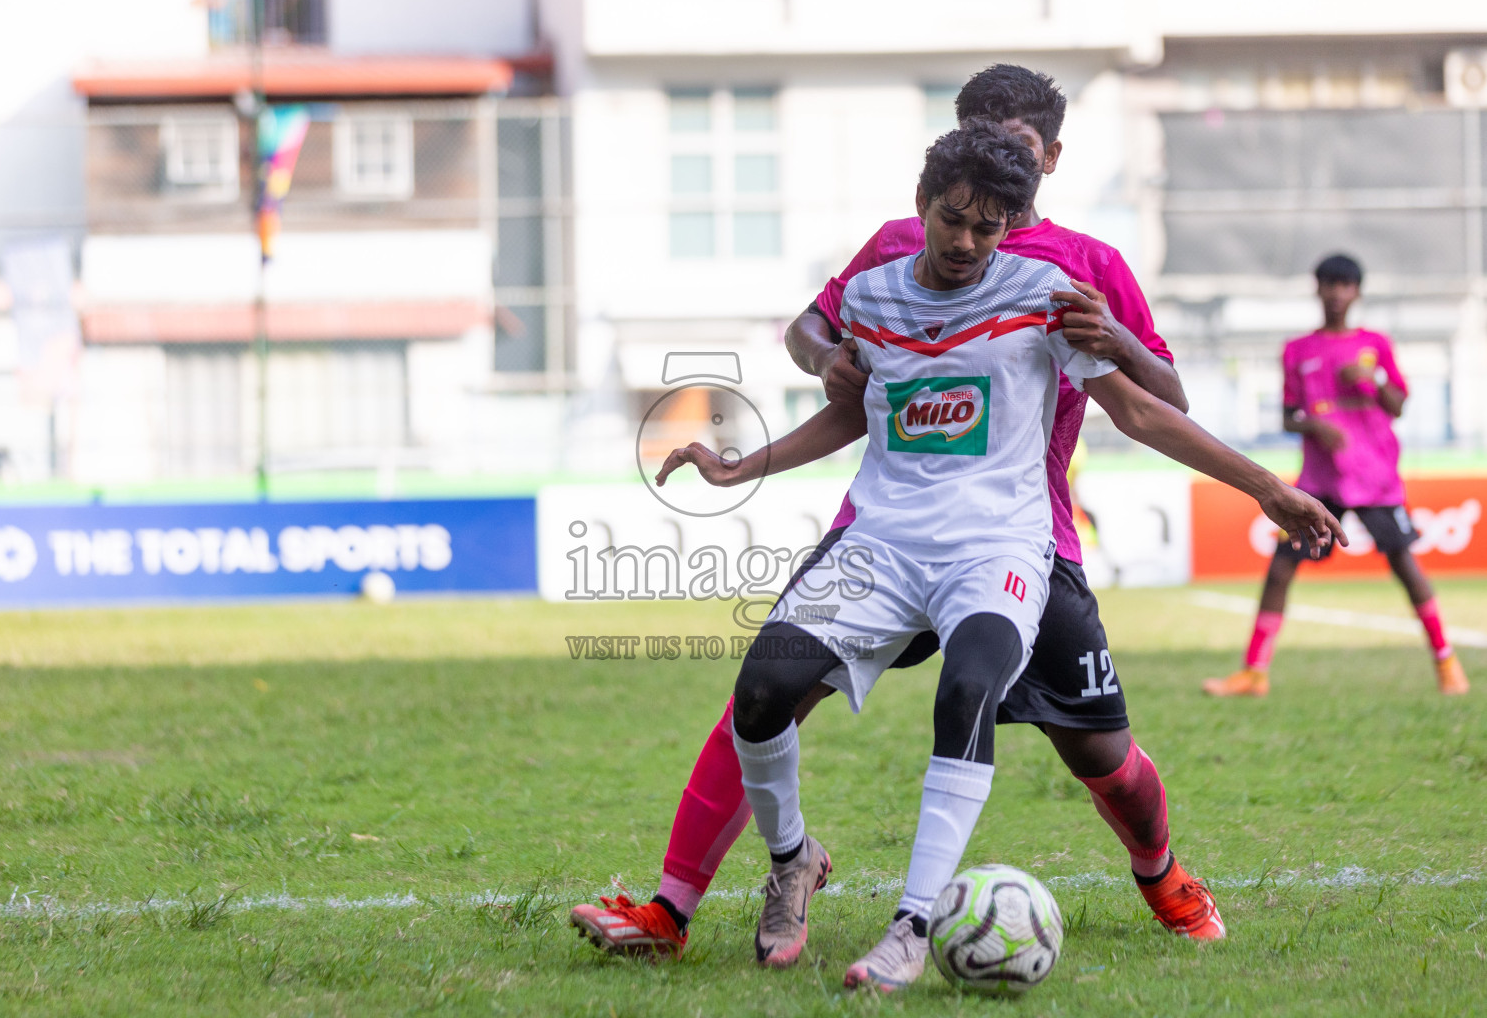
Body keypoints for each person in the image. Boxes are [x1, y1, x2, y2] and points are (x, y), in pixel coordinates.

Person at [647, 121, 1343, 991]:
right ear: (922, 207)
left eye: (988, 228)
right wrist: (743, 466)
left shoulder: (1048, 295)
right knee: (761, 691)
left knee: (969, 689)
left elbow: (1141, 410)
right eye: (953, 220)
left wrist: (1265, 487)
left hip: (998, 547)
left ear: (1013, 224)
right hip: (883, 543)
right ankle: (792, 858)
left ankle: (911, 926)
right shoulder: (872, 297)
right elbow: (855, 411)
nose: (968, 242)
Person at [570, 64, 1225, 965]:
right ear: (936, 178)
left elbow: (1162, 396)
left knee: (1101, 751)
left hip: (1023, 534)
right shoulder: (890, 247)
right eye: (967, 177)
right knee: (765, 695)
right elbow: (809, 335)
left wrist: (1114, 337)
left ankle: (1160, 874)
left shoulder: (1086, 267)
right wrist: (829, 355)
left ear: (1051, 160)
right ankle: (675, 906)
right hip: (882, 527)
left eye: (1017, 161)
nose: (977, 219)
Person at [1204, 254, 1470, 698]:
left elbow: (1397, 405)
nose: (1336, 293)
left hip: (1375, 477)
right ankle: (1254, 673)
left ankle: (1447, 663)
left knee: (1405, 565)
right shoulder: (1297, 350)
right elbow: (1289, 417)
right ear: (1318, 288)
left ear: (1357, 292)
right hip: (1320, 482)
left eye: (1345, 285)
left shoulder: (1376, 344)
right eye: (1329, 284)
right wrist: (1315, 425)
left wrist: (1371, 379)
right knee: (1282, 566)